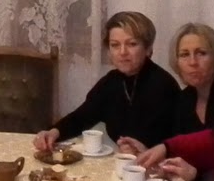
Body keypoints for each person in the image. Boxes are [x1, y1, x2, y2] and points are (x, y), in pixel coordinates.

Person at [33, 11, 181, 154]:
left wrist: (147, 151)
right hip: (124, 162)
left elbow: (178, 143)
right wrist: (54, 132)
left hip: (157, 167)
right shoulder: (111, 82)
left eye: (132, 44)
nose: (122, 52)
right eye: (115, 45)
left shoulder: (164, 86)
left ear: (148, 49)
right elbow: (82, 117)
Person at [127, 23, 214, 165]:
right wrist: (149, 153)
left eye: (201, 53)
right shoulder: (185, 99)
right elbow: (180, 150)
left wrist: (193, 173)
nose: (192, 62)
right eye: (184, 55)